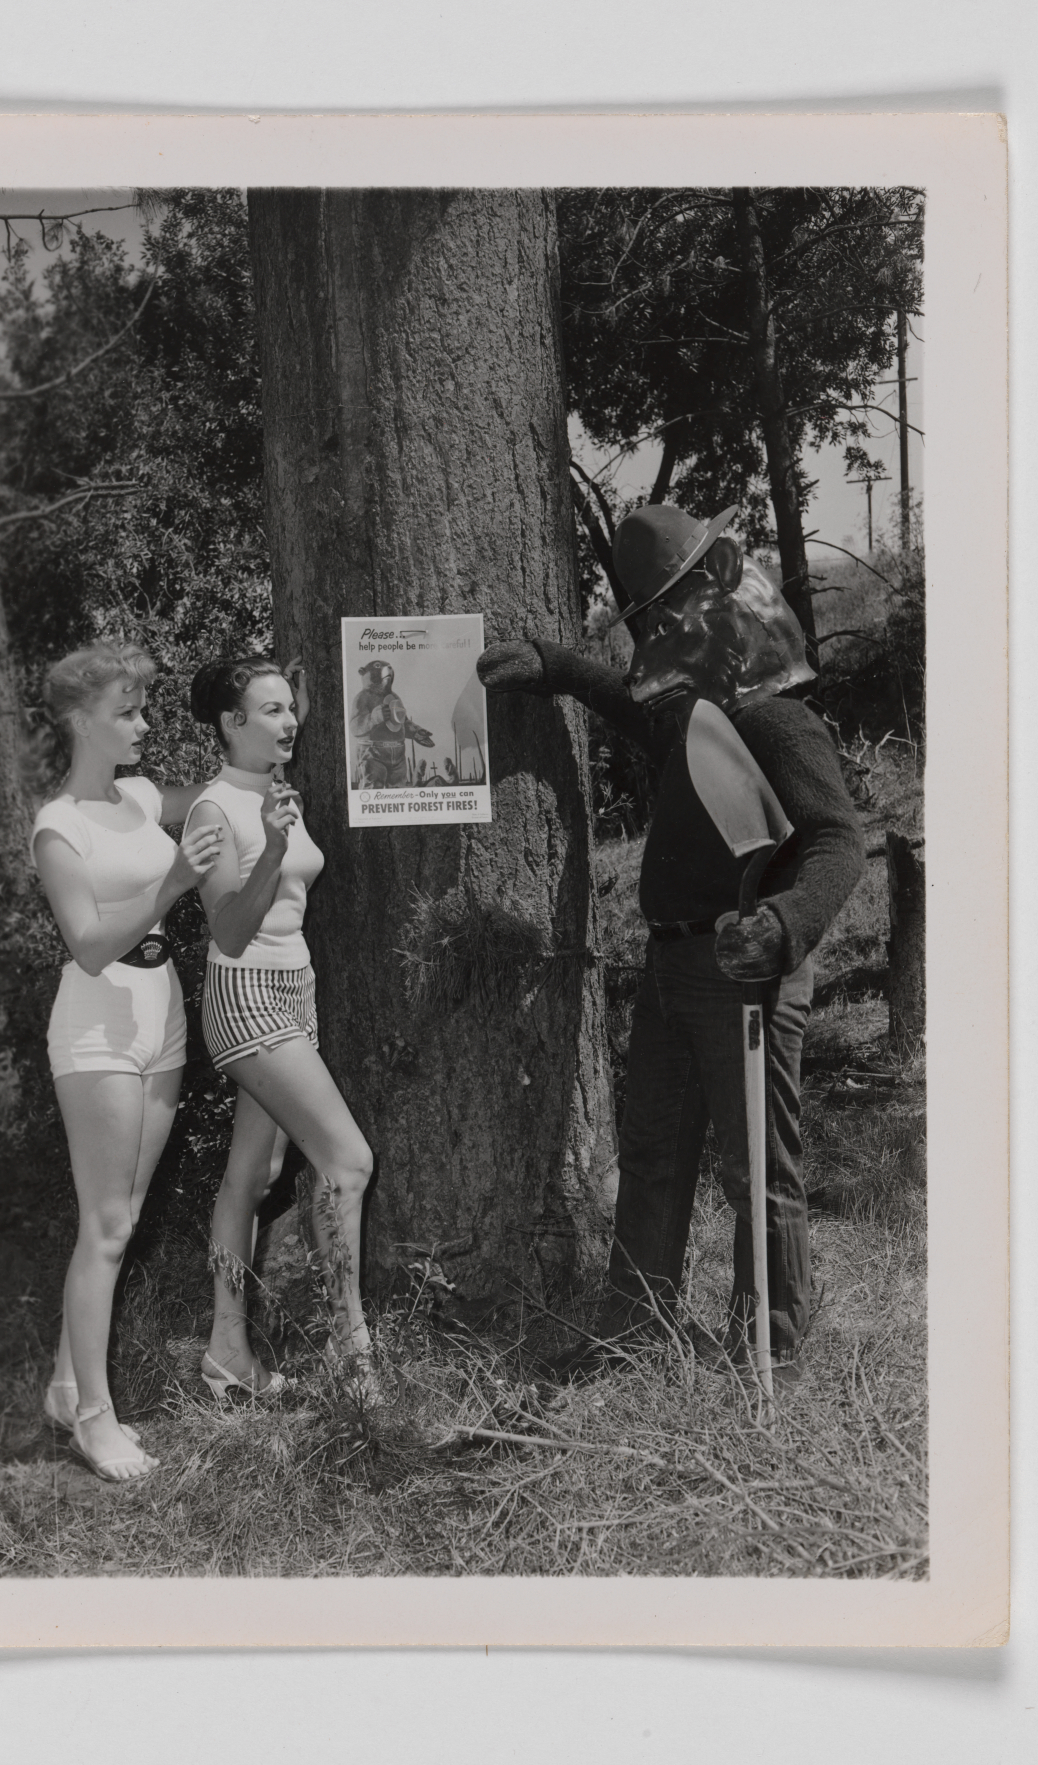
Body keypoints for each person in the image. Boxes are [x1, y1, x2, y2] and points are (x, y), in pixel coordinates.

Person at [477, 502, 865, 1386]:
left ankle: (772, 1348)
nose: (659, 629)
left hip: (743, 969)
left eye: (670, 607)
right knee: (653, 1155)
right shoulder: (694, 708)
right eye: (649, 615)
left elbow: (839, 840)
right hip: (670, 966)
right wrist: (555, 667)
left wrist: (785, 925)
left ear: (719, 585)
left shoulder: (776, 718)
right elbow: (631, 706)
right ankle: (633, 1330)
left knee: (756, 1169)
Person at [32, 640, 224, 1482]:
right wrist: (173, 883)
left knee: (126, 1213)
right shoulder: (58, 827)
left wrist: (268, 729)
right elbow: (88, 944)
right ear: (82, 720)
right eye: (127, 711)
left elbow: (216, 797)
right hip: (98, 1028)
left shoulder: (142, 797)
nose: (144, 723)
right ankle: (95, 1420)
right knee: (106, 1227)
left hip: (161, 1013)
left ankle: (65, 1383)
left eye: (143, 706)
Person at [185, 656, 375, 1397]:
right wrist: (268, 846)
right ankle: (352, 1359)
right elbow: (230, 932)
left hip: (295, 990)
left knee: (253, 1176)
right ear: (230, 724)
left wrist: (291, 698)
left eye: (291, 707)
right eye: (271, 710)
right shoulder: (214, 811)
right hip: (247, 994)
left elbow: (278, 744)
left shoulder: (271, 787)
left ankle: (226, 1348)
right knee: (347, 1162)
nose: (290, 721)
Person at [350, 660, 435, 788]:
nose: (388, 668)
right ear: (364, 673)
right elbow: (354, 727)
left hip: (398, 755)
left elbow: (402, 722)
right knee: (373, 788)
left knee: (399, 789)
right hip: (373, 754)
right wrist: (374, 718)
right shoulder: (363, 697)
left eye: (388, 667)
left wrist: (416, 732)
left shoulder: (394, 697)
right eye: (378, 666)